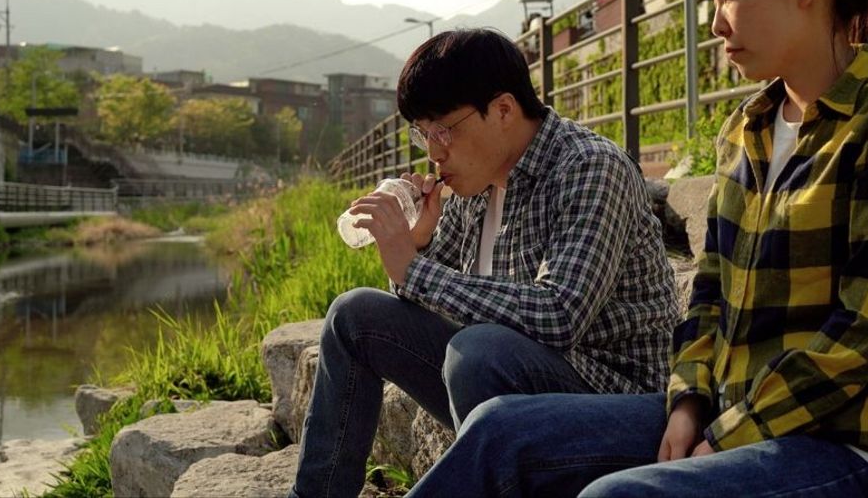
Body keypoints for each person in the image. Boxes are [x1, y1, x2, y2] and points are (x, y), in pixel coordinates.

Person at [406, 0, 868, 498]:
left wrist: (730, 431)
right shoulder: (744, 130)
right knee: (498, 430)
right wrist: (688, 403)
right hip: (727, 418)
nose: (716, 22)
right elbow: (707, 296)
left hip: (852, 448)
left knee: (616, 497)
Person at [287, 28, 680, 498]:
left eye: (444, 131)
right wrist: (420, 245)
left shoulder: (590, 167)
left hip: (616, 409)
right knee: (355, 316)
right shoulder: (474, 186)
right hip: (514, 394)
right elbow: (431, 300)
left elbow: (559, 315)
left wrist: (414, 268)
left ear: (503, 110)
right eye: (423, 133)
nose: (432, 151)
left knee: (480, 351)